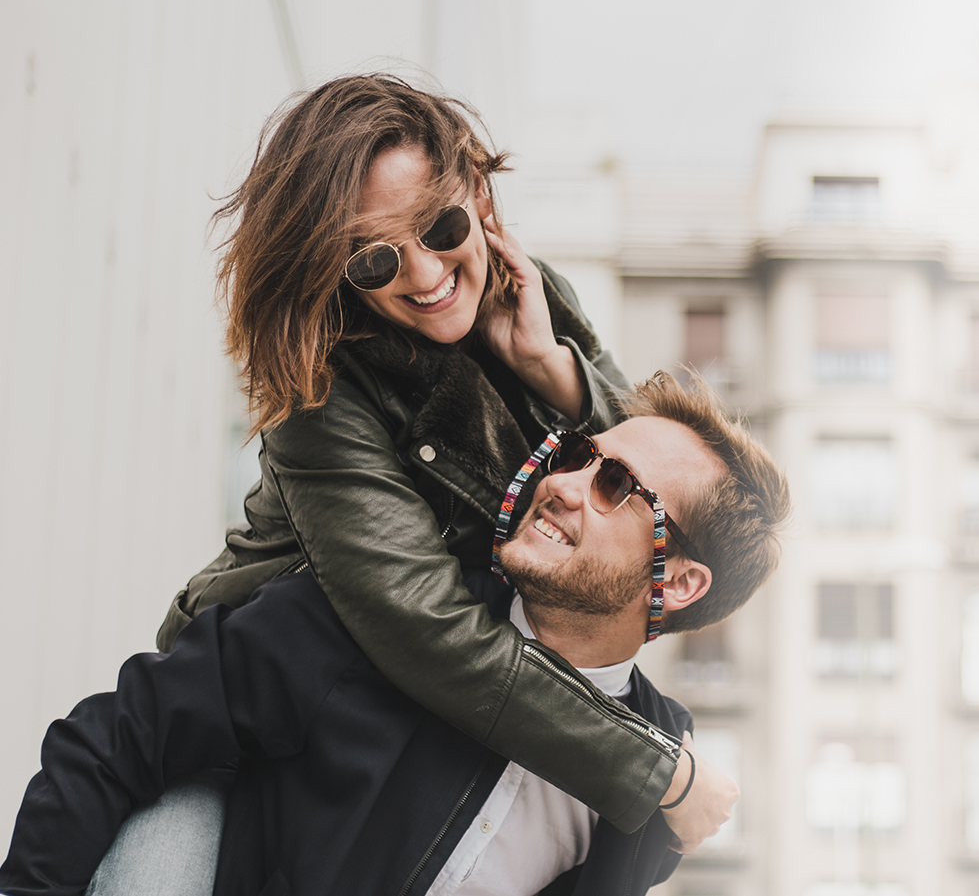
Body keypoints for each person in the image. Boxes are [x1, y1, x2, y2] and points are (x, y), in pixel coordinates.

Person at [63, 72, 728, 887]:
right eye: (375, 259)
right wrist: (662, 771)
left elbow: (657, 477)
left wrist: (559, 374)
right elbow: (424, 625)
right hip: (238, 719)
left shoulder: (531, 293)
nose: (422, 273)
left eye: (440, 225)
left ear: (477, 194)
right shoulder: (324, 384)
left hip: (395, 725)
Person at [0, 375, 794, 895]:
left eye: (616, 484)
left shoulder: (656, 782)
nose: (562, 486)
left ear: (681, 581)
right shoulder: (381, 612)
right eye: (582, 457)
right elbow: (113, 739)